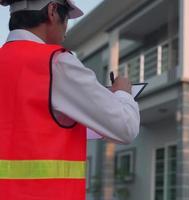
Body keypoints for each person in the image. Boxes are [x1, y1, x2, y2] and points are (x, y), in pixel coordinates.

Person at [0, 0, 140, 199]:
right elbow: (126, 127)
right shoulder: (57, 63)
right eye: (66, 19)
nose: (66, 30)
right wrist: (123, 93)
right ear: (52, 10)